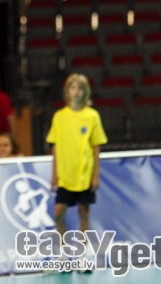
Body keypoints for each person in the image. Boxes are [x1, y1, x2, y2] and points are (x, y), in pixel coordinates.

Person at [46, 73, 107, 249]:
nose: (76, 91)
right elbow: (55, 147)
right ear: (67, 92)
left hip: (84, 175)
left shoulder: (92, 116)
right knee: (58, 213)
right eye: (72, 88)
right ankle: (64, 250)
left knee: (84, 213)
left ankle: (82, 251)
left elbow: (96, 147)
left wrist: (95, 175)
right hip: (65, 175)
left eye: (80, 88)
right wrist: (54, 175)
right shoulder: (59, 116)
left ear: (85, 92)